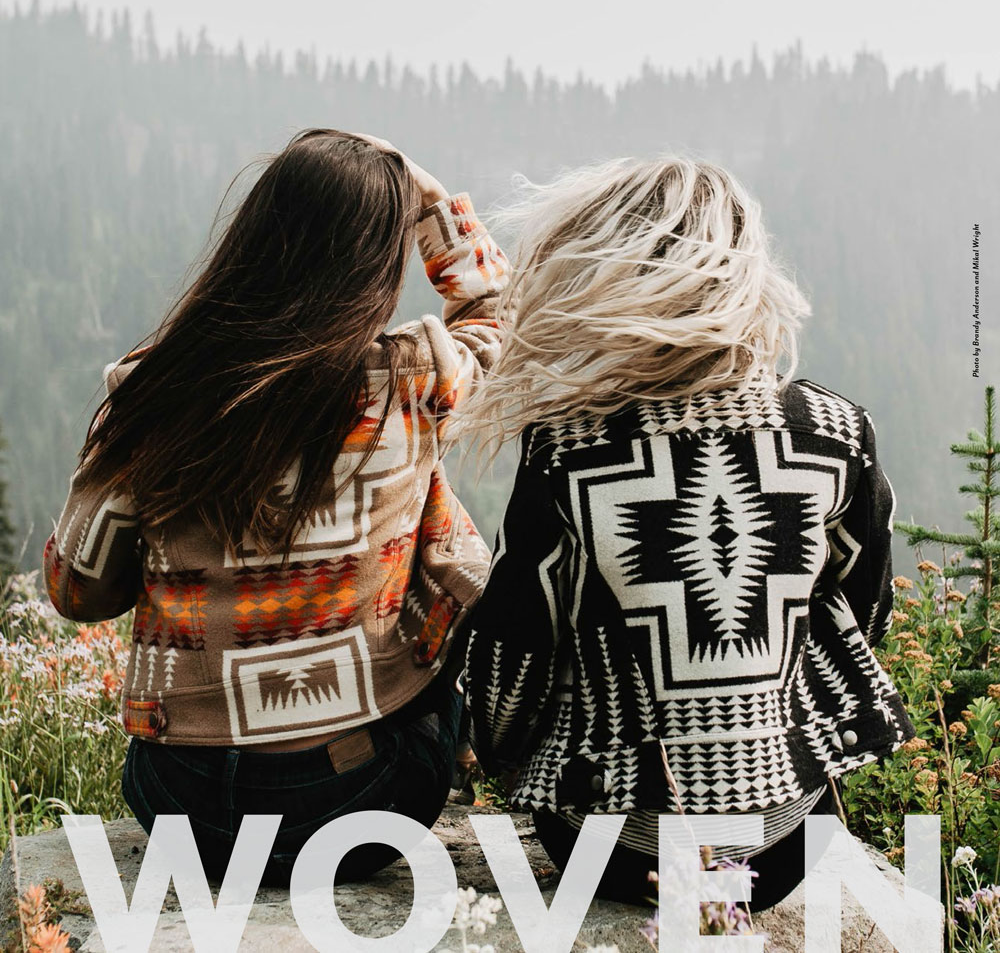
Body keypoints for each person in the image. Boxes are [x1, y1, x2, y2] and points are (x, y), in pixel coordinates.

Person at [43, 128, 508, 884]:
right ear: (371, 266)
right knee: (432, 505)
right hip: (368, 800)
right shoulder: (412, 383)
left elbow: (75, 591)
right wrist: (429, 206)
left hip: (181, 806)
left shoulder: (150, 394)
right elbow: (495, 315)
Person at [461, 156, 915, 911]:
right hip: (784, 851)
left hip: (609, 847)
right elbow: (867, 619)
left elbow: (512, 663)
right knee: (815, 596)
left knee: (562, 608)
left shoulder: (571, 447)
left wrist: (498, 753)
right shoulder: (836, 430)